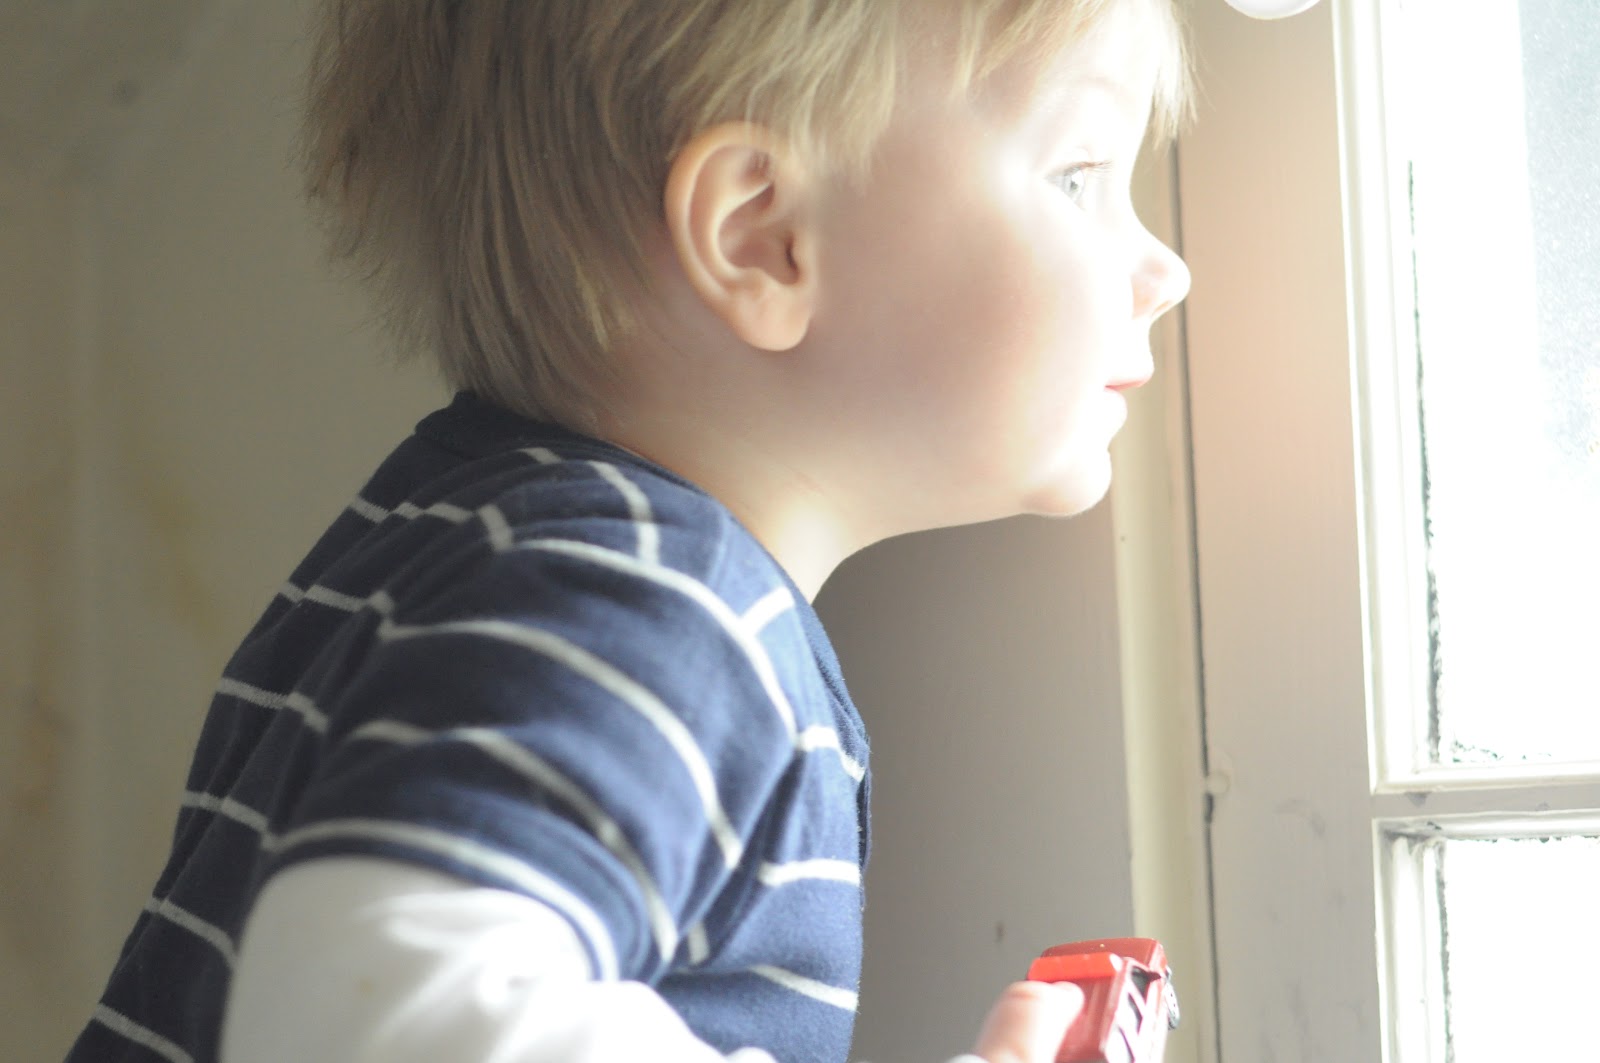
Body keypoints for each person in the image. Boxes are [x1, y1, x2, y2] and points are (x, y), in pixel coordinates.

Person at [65, 0, 1191, 1060]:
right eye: (1078, 176)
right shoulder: (643, 599)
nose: (1167, 271)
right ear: (761, 235)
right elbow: (381, 1017)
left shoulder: (476, 534)